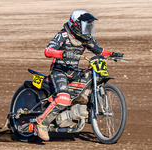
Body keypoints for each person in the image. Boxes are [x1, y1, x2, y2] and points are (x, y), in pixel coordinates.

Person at [19, 10, 123, 141]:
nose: (89, 28)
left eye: (90, 26)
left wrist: (112, 54)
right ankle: (41, 124)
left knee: (89, 79)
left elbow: (99, 50)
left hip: (73, 72)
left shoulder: (87, 39)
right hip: (59, 71)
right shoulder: (62, 35)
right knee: (63, 98)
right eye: (86, 25)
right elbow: (47, 51)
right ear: (76, 24)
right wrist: (62, 54)